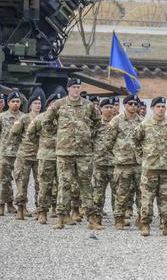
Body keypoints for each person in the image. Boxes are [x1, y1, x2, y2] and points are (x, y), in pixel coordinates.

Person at [37, 78, 102, 229]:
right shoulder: (59, 105)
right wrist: (58, 135)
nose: (76, 90)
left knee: (86, 185)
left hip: (83, 153)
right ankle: (60, 217)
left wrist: (89, 135)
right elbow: (46, 121)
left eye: (78, 87)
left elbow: (98, 122)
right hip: (64, 151)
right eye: (73, 87)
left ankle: (91, 219)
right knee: (64, 184)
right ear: (68, 89)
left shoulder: (88, 105)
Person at [136, 97, 167, 237]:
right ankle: (145, 224)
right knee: (147, 197)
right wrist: (143, 157)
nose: (161, 109)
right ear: (153, 108)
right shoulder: (144, 124)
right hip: (150, 167)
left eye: (163, 106)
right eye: (158, 106)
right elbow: (136, 141)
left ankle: (166, 225)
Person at [104, 94, 143, 230]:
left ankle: (141, 218)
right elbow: (107, 142)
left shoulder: (142, 122)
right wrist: (118, 154)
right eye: (130, 104)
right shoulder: (116, 121)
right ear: (125, 105)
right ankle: (119, 219)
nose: (133, 106)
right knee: (121, 193)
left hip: (138, 163)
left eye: (135, 104)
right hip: (122, 164)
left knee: (141, 193)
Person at [0, 91, 25, 215]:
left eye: (17, 101)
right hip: (5, 153)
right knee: (3, 180)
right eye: (13, 101)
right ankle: (1, 205)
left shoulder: (24, 117)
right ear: (8, 103)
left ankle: (21, 207)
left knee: (21, 180)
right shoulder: (2, 117)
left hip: (19, 153)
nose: (15, 104)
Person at [28, 92, 62, 224]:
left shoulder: (64, 118)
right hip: (46, 156)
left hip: (62, 156)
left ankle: (61, 213)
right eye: (54, 103)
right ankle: (42, 212)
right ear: (49, 105)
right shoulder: (41, 118)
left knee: (62, 186)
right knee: (44, 185)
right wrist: (41, 145)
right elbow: (30, 134)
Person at [10, 91, 44, 220]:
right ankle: (20, 209)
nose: (37, 106)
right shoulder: (24, 118)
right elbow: (14, 134)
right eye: (35, 103)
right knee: (22, 183)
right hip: (24, 155)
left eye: (39, 103)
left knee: (40, 183)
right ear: (30, 105)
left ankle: (39, 209)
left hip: (38, 156)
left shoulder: (44, 118)